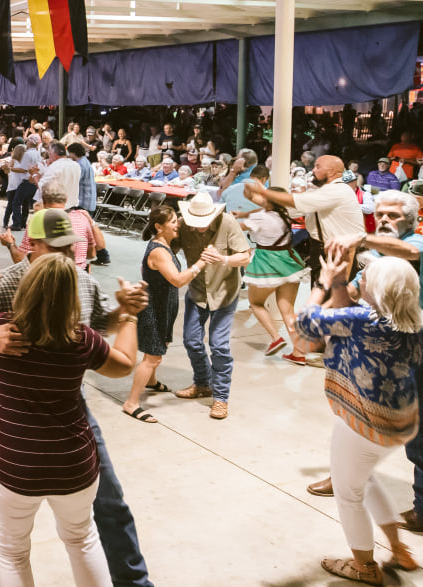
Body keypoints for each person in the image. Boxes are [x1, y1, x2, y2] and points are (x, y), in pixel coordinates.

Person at [0, 209, 185, 587]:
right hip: (19, 409)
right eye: (50, 247)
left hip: (67, 404)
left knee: (107, 499)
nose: (61, 256)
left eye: (67, 248)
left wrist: (123, 312)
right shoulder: (8, 283)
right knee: (7, 501)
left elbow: (97, 327)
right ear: (30, 245)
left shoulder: (81, 280)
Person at [0, 254, 138, 587]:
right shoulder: (80, 337)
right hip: (73, 465)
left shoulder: (4, 331)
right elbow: (123, 364)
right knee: (82, 542)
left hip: (13, 465)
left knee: (11, 554)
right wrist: (129, 315)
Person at [306, 190, 423, 533]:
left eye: (393, 216)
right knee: (355, 415)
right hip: (375, 348)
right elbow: (351, 294)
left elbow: (411, 251)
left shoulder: (422, 245)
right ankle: (346, 476)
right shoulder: (376, 258)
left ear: (411, 220)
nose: (384, 220)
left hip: (418, 350)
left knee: (418, 432)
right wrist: (313, 321)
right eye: (380, 214)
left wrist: (360, 238)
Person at [295, 250, 423, 586]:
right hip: (401, 422)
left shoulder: (361, 319)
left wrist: (323, 284)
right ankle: (399, 549)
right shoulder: (411, 318)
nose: (359, 281)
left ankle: (364, 566)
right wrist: (340, 282)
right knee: (363, 480)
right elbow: (344, 312)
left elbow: (304, 324)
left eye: (363, 278)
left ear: (379, 289)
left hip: (364, 424)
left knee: (347, 492)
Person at [170, 192, 251, 420]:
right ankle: (203, 384)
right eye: (196, 223)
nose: (200, 227)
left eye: (203, 223)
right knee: (191, 341)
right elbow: (168, 247)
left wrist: (223, 260)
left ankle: (221, 398)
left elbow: (245, 257)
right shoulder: (185, 225)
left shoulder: (228, 222)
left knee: (219, 345)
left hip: (225, 292)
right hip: (197, 291)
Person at [120, 204, 203, 423]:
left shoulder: (164, 245)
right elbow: (177, 279)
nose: (178, 225)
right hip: (153, 310)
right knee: (153, 357)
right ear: (159, 227)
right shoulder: (158, 251)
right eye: (174, 222)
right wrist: (200, 264)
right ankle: (132, 403)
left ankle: (151, 382)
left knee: (158, 348)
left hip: (162, 308)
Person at [240, 180, 309, 356]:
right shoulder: (285, 213)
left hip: (266, 262)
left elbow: (238, 226)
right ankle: (299, 353)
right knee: (287, 310)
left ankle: (276, 337)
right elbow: (261, 205)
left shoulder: (260, 217)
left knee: (256, 303)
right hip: (289, 260)